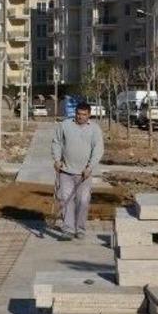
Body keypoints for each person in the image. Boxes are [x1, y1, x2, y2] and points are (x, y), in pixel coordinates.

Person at [51, 102, 104, 240]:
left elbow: (98, 150)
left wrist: (90, 167)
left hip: (84, 174)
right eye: (78, 114)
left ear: (89, 115)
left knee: (83, 201)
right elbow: (56, 142)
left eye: (84, 114)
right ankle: (68, 229)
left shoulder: (94, 129)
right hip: (66, 171)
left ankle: (80, 229)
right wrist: (57, 160)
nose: (81, 117)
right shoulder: (65, 125)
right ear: (75, 113)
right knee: (65, 200)